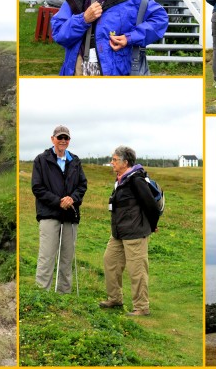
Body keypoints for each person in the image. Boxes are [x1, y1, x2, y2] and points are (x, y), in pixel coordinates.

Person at [100, 146, 161, 316]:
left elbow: (151, 205)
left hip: (135, 233)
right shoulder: (121, 179)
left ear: (125, 162)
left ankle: (141, 307)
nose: (111, 163)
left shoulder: (136, 180)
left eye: (114, 160)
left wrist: (152, 224)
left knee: (137, 271)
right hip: (118, 233)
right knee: (110, 261)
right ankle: (115, 299)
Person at [31, 125, 88, 293]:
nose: (63, 141)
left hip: (70, 215)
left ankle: (64, 295)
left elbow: (82, 185)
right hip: (49, 214)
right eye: (59, 138)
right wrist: (58, 202)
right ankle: (42, 295)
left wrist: (73, 198)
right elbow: (37, 188)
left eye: (66, 138)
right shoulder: (41, 160)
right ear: (52, 139)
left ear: (69, 141)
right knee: (46, 256)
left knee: (66, 258)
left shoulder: (75, 161)